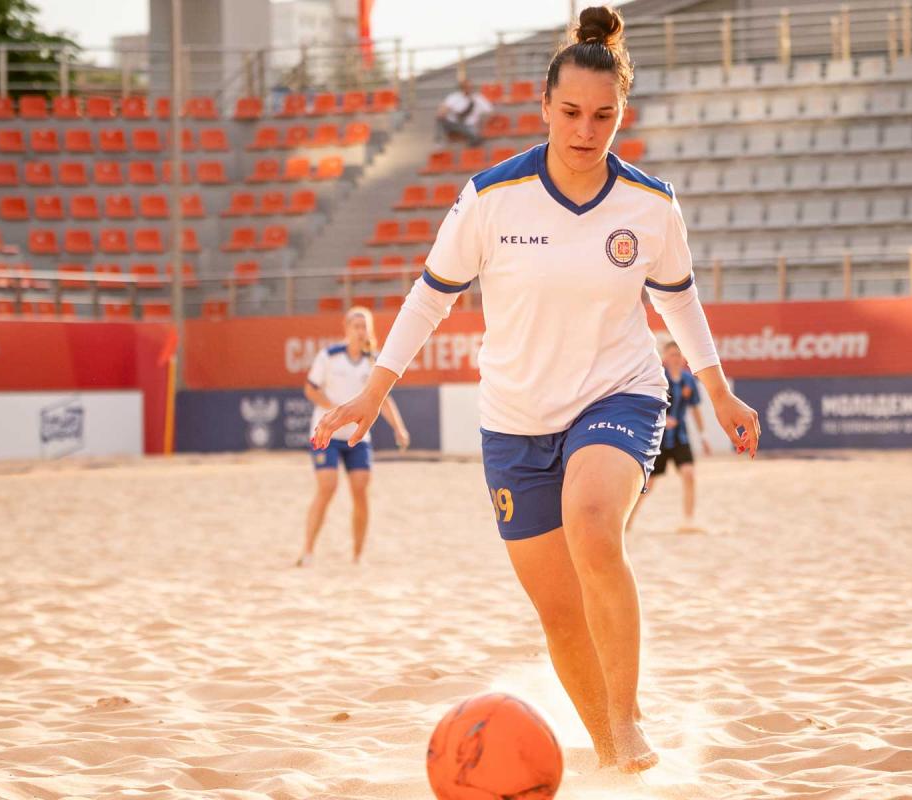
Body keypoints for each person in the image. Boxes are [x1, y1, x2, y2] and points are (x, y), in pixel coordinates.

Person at [313, 5, 759, 773]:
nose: (587, 129)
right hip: (514, 420)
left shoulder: (651, 205)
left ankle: (628, 721)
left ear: (622, 114)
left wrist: (718, 390)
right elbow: (430, 297)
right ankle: (612, 751)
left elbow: (679, 301)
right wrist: (374, 391)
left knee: (593, 525)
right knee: (559, 610)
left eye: (604, 115)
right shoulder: (491, 197)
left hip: (618, 394)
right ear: (543, 105)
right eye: (572, 112)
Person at [299, 306, 410, 567]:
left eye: (365, 327)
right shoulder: (329, 356)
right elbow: (311, 390)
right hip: (326, 433)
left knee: (360, 489)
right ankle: (308, 551)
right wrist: (336, 412)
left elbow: (382, 399)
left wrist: (398, 428)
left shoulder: (375, 361)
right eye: (356, 326)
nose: (361, 331)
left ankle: (357, 556)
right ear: (346, 329)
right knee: (327, 487)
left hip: (357, 437)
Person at [628, 340, 712, 533]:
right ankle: (628, 520)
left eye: (678, 355)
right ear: (665, 358)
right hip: (658, 439)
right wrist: (663, 420)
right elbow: (645, 406)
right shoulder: (657, 378)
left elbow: (695, 409)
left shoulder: (689, 380)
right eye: (672, 355)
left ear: (683, 358)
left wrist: (704, 436)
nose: (675, 358)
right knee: (648, 484)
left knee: (689, 474)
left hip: (681, 437)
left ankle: (688, 521)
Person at [435, 78, 493, 147]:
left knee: (476, 136)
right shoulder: (454, 97)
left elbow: (490, 111)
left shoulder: (479, 98)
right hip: (453, 123)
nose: (468, 89)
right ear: (461, 88)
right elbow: (442, 110)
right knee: (439, 119)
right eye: (465, 87)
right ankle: (440, 141)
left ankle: (470, 147)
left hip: (469, 125)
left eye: (470, 87)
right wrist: (443, 111)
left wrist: (481, 121)